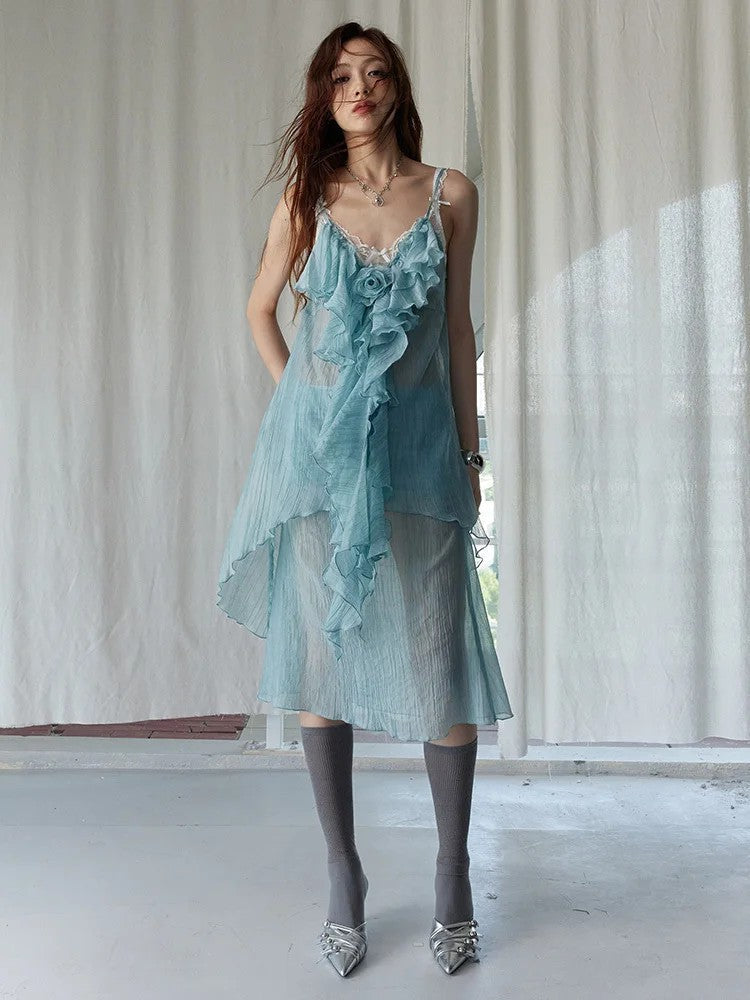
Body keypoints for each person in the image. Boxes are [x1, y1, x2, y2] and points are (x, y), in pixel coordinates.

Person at [216, 21, 513, 978]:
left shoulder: (450, 194)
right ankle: (343, 874)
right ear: (325, 94)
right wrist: (308, 406)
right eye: (342, 75)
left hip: (423, 454)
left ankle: (452, 873)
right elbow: (260, 308)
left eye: (376, 72)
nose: (360, 86)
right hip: (321, 466)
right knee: (321, 657)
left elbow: (458, 331)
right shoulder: (307, 199)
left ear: (396, 90)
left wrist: (471, 449)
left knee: (438, 657)